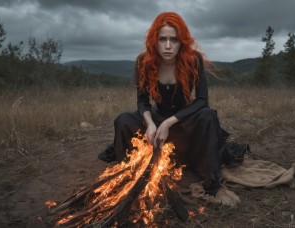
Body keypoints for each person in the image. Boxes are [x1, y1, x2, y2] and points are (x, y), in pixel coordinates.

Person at [98, 12, 235, 195]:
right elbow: (142, 101)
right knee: (123, 120)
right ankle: (129, 172)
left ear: (182, 41)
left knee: (208, 115)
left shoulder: (193, 60)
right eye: (163, 39)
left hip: (185, 120)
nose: (168, 46)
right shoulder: (143, 61)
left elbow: (202, 100)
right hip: (156, 117)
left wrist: (168, 122)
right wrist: (151, 124)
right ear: (155, 40)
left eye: (174, 40)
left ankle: (206, 172)